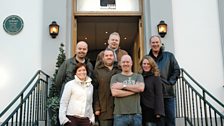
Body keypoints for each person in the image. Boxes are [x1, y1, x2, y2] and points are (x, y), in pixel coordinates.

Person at [148, 35, 180, 126]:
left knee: (170, 120)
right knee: (158, 122)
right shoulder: (147, 58)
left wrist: (171, 82)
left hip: (168, 94)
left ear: (160, 43)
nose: (155, 44)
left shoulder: (169, 56)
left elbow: (176, 70)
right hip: (154, 96)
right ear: (150, 44)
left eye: (157, 42)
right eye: (153, 42)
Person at [110, 55, 145, 126]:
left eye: (127, 62)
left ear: (131, 63)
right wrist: (134, 91)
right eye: (123, 62)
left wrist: (123, 86)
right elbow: (115, 93)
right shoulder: (115, 77)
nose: (125, 64)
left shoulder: (138, 76)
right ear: (120, 64)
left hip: (136, 114)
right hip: (119, 115)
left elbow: (141, 88)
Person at [94, 49, 121, 126]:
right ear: (103, 58)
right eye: (106, 55)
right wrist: (97, 107)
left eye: (111, 55)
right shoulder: (97, 70)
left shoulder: (119, 69)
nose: (109, 57)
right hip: (104, 110)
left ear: (114, 57)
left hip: (119, 109)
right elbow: (95, 90)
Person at [140, 55, 165, 126]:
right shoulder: (140, 76)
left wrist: (158, 112)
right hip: (142, 110)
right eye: (144, 64)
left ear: (152, 65)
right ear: (141, 65)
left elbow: (159, 95)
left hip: (152, 110)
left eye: (148, 64)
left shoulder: (156, 77)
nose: (146, 65)